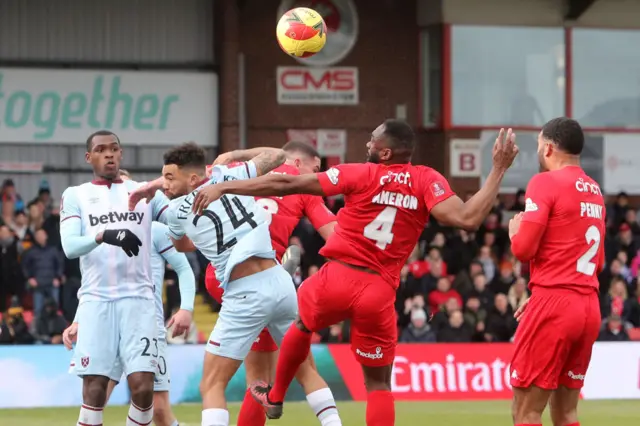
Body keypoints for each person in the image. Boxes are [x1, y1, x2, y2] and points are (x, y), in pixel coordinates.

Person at [191, 119, 518, 425]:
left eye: (373, 140)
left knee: (300, 325)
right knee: (378, 384)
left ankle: (275, 397)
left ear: (385, 152)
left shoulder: (361, 174)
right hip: (379, 290)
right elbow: (468, 218)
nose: (367, 143)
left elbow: (286, 181)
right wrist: (498, 170)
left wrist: (226, 186)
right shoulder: (426, 179)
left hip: (336, 277)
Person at [132, 142, 298, 426]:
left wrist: (167, 211)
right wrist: (234, 155)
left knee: (212, 383)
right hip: (279, 279)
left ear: (194, 178)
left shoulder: (175, 211)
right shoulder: (232, 174)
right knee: (305, 372)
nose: (165, 185)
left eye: (169, 178)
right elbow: (278, 155)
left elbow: (181, 245)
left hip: (240, 288)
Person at [205, 141, 342, 426]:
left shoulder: (239, 170)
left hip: (222, 273)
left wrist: (233, 154)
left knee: (254, 379)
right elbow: (335, 236)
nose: (316, 176)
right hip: (260, 280)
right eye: (315, 169)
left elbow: (200, 177)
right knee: (294, 370)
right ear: (298, 163)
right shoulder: (303, 187)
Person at [59, 130, 185, 426]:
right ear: (89, 157)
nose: (109, 154)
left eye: (114, 148)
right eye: (101, 150)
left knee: (143, 389)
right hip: (96, 302)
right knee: (95, 390)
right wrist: (104, 235)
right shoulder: (75, 194)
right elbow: (69, 247)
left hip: (139, 302)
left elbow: (178, 220)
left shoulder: (143, 192)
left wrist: (178, 194)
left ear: (122, 153)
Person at [508, 117, 604, 426]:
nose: (537, 151)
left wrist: (514, 232)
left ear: (549, 148)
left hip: (555, 305)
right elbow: (597, 261)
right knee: (566, 413)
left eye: (538, 145)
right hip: (588, 304)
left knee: (526, 412)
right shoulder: (594, 189)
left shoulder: (545, 182)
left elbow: (523, 249)